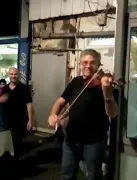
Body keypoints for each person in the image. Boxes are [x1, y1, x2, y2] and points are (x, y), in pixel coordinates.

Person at [48, 49, 118, 180]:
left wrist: (107, 93)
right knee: (67, 174)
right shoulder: (75, 82)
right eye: (84, 62)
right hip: (71, 137)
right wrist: (53, 114)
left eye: (92, 63)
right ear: (80, 64)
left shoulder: (105, 83)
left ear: (99, 64)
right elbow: (59, 102)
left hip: (94, 140)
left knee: (93, 175)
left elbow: (112, 114)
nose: (88, 66)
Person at [0, 67, 34, 160]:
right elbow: (0, 102)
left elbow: (29, 104)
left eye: (15, 74)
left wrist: (30, 120)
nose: (13, 76)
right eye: (11, 74)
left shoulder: (24, 88)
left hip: (18, 121)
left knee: (15, 144)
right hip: (5, 121)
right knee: (4, 144)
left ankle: (15, 165)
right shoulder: (4, 88)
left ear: (18, 75)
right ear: (9, 75)